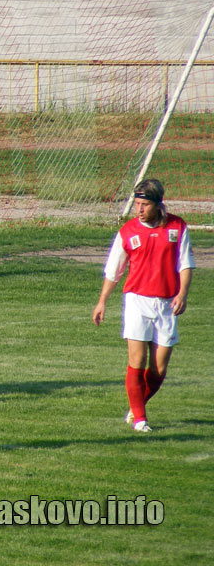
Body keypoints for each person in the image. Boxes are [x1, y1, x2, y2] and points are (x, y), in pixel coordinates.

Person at [92, 179, 194, 433]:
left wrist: (182, 294)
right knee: (137, 360)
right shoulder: (128, 231)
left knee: (158, 369)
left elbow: (185, 263)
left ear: (158, 204)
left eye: (144, 204)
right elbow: (113, 270)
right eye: (136, 204)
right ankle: (140, 419)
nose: (139, 209)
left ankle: (136, 406)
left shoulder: (177, 226)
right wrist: (102, 301)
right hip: (137, 301)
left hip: (167, 304)